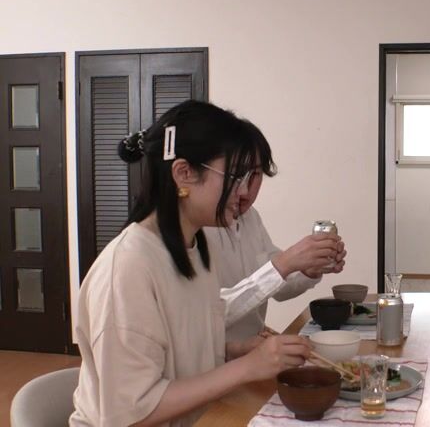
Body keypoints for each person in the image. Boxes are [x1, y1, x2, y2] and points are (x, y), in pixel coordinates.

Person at [71, 100, 312, 427]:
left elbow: (177, 352)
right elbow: (130, 413)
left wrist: (236, 350)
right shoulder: (128, 268)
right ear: (184, 174)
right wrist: (247, 367)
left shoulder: (197, 248)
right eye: (235, 177)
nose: (244, 193)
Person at [204, 122, 347, 341]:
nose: (244, 189)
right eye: (236, 175)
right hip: (219, 358)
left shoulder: (251, 217)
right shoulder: (196, 228)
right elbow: (205, 317)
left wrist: (309, 269)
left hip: (255, 351)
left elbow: (277, 287)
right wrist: (283, 264)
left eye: (255, 174)